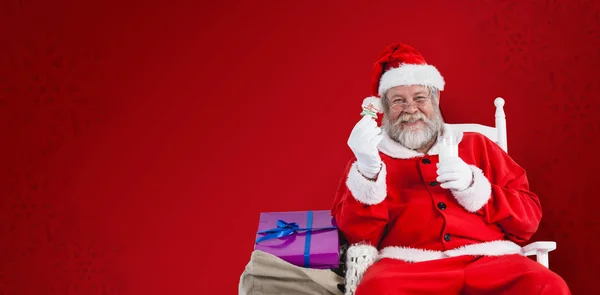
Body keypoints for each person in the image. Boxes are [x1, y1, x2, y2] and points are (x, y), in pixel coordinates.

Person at [330, 42, 570, 295]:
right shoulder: (371, 159)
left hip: (490, 261)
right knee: (377, 290)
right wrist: (368, 173)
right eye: (398, 101)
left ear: (435, 99)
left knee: (546, 286)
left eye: (419, 98)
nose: (411, 109)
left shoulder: (479, 145)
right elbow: (359, 238)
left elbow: (528, 221)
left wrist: (475, 187)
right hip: (407, 267)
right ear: (385, 110)